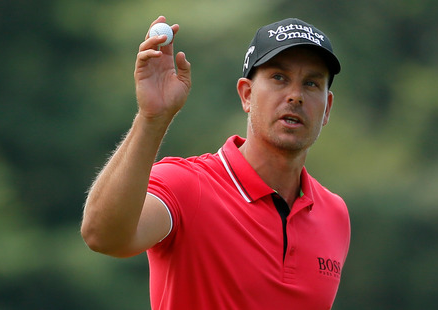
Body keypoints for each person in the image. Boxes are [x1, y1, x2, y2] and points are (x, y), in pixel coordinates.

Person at [82, 15, 350, 310]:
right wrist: (152, 119)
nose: (296, 96)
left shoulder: (335, 214)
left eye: (312, 83)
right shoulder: (186, 185)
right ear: (247, 95)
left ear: (327, 109)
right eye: (279, 78)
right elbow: (102, 236)